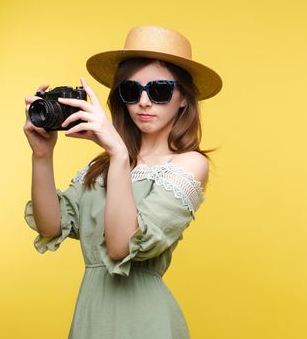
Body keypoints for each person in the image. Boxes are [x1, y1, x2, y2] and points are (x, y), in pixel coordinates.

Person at [22, 25, 222, 338]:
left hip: (144, 322)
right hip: (91, 316)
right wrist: (42, 156)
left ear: (183, 98)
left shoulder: (188, 165)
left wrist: (116, 152)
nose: (144, 102)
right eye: (131, 91)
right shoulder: (102, 166)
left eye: (159, 91)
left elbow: (120, 247)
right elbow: (50, 226)